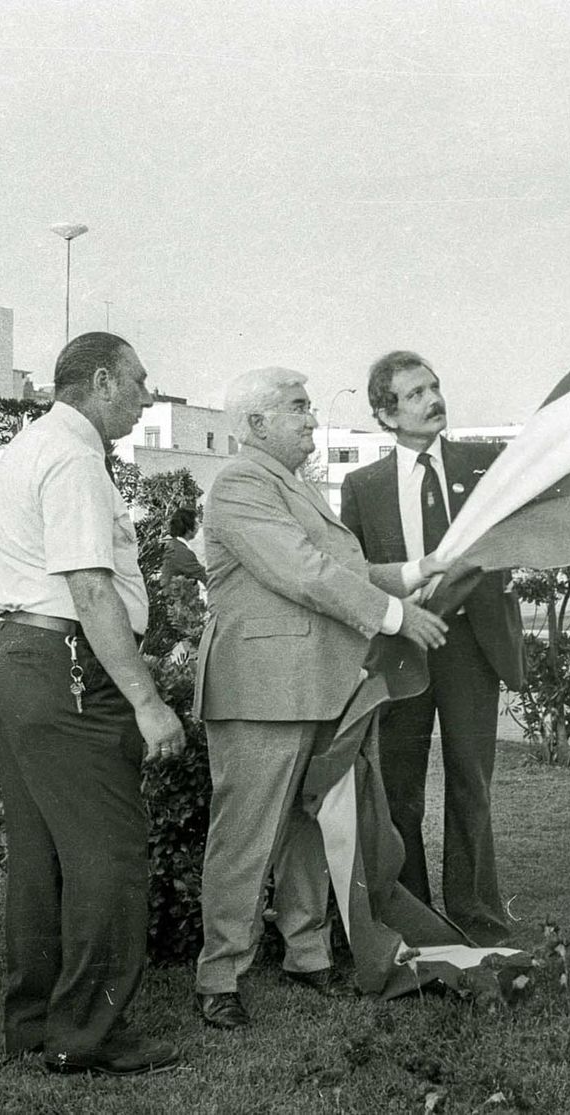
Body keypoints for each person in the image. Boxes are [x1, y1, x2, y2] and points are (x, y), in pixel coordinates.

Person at [190, 366, 452, 1030]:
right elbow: (302, 571)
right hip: (260, 691)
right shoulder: (242, 482)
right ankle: (220, 975)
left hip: (313, 685)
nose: (312, 417)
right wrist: (395, 616)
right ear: (256, 423)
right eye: (299, 407)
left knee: (308, 829)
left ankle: (307, 957)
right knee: (247, 836)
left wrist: (420, 571)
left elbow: (344, 568)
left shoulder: (289, 484)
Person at [0, 332, 185, 1077]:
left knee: (41, 854)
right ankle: (86, 1032)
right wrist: (147, 700)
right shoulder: (72, 454)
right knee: (109, 850)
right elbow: (90, 586)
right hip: (65, 659)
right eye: (137, 382)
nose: (144, 397)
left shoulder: (36, 444)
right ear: (101, 380)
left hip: (23, 653)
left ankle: (35, 1022)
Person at [339, 352, 525, 945]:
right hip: (402, 647)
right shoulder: (361, 486)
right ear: (385, 414)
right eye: (415, 393)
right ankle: (415, 916)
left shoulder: (485, 463)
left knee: (472, 782)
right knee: (401, 790)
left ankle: (478, 915)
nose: (432, 399)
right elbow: (356, 572)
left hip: (472, 645)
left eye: (435, 387)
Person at [159, 507, 207, 589]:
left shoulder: (175, 545)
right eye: (197, 523)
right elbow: (203, 576)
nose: (199, 526)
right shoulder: (181, 551)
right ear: (189, 528)